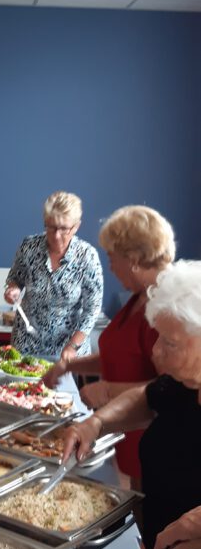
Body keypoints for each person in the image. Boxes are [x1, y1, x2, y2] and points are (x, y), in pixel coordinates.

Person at [59, 260, 201, 549]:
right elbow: (147, 397)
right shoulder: (184, 384)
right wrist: (96, 423)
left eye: (170, 343)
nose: (156, 351)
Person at [44, 205, 175, 483]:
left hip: (153, 443)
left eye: (112, 258)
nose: (111, 267)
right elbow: (120, 357)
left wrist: (106, 391)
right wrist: (69, 366)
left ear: (134, 259)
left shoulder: (165, 308)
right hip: (126, 434)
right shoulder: (139, 297)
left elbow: (171, 389)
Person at [4, 191, 103, 360]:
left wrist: (73, 346)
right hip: (26, 344)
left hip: (68, 348)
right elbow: (16, 278)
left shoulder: (87, 256)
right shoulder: (29, 247)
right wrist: (13, 290)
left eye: (64, 229)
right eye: (51, 227)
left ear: (76, 226)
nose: (56, 235)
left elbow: (92, 309)